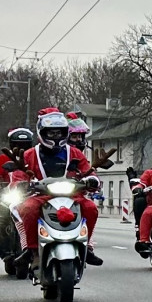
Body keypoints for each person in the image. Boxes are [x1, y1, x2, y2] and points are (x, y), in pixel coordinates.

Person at [12, 109, 103, 267]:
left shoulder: (75, 152)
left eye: (59, 133)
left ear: (66, 133)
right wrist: (21, 184)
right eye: (51, 133)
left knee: (91, 208)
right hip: (39, 195)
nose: (56, 137)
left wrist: (92, 181)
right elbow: (18, 176)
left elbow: (88, 170)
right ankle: (31, 250)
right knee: (27, 208)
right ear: (42, 132)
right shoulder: (29, 154)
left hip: (72, 195)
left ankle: (87, 247)